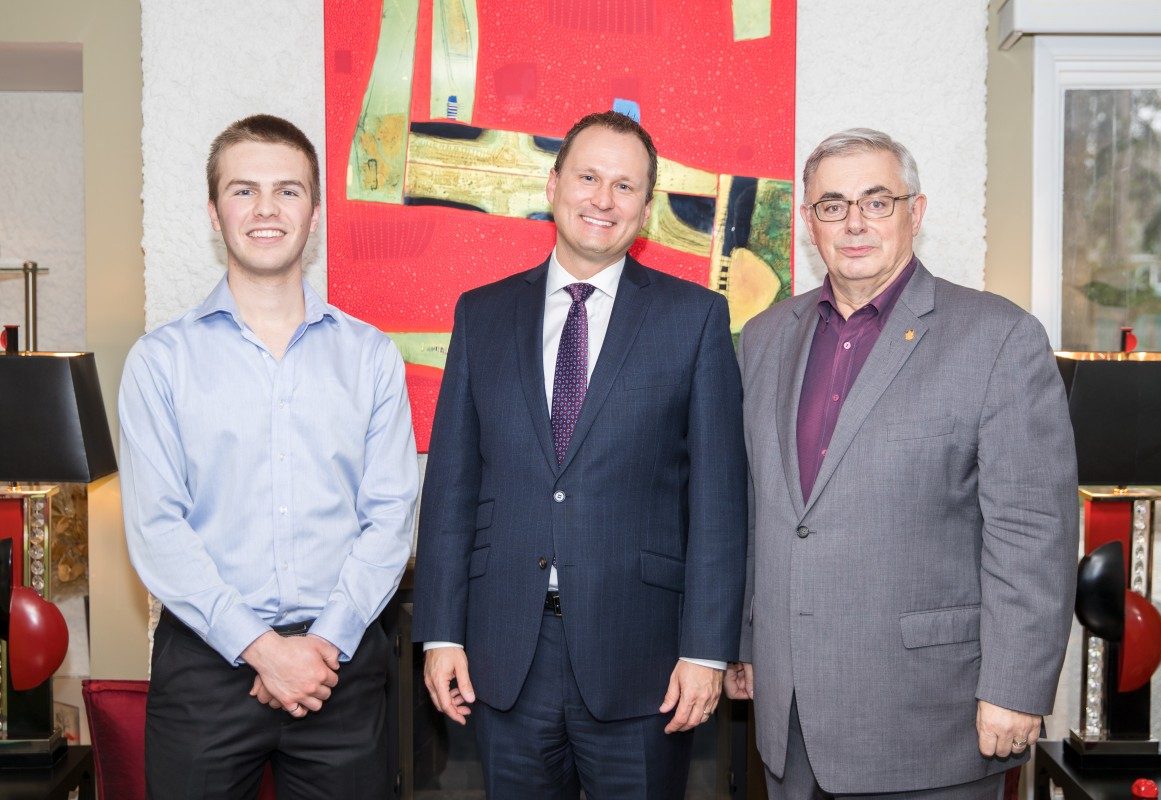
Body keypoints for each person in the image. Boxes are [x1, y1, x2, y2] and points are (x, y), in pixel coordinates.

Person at [725, 128, 1078, 799]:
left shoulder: (999, 338)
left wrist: (1015, 688)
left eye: (877, 201)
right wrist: (746, 636)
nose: (854, 222)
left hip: (930, 725)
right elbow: (757, 506)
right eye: (832, 205)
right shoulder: (766, 336)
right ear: (808, 222)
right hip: (790, 715)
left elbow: (1033, 532)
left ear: (915, 212)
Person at [412, 110, 747, 799]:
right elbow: (451, 486)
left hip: (646, 661)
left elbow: (719, 500)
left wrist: (707, 650)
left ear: (647, 210)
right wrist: (440, 632)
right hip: (506, 653)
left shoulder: (695, 319)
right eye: (588, 177)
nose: (603, 198)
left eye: (625, 187)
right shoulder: (481, 314)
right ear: (553, 183)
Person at [119, 114, 419, 799]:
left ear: (313, 212)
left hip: (338, 672)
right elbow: (157, 531)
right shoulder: (160, 362)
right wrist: (262, 648)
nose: (265, 209)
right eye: (243, 190)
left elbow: (390, 518)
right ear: (213, 211)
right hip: (206, 672)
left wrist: (322, 647)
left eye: (287, 191)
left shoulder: (369, 356)